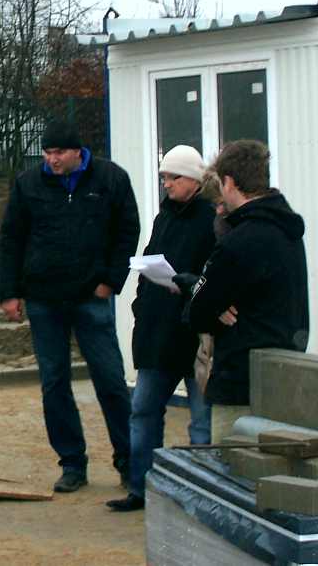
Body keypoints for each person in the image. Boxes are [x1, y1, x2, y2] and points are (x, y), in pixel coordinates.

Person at [0, 119, 140, 493]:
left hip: (92, 297)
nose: (52, 160)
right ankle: (72, 463)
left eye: (59, 152)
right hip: (44, 299)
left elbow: (127, 231)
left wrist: (111, 281)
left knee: (110, 379)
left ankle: (129, 460)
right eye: (47, 153)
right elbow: (11, 238)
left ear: (78, 151)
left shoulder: (110, 179)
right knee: (54, 382)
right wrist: (9, 292)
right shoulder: (28, 184)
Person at [106, 145, 216, 512]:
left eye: (173, 177)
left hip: (197, 334)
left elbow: (217, 274)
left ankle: (204, 497)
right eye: (164, 177)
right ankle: (141, 488)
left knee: (202, 421)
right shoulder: (164, 216)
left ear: (195, 180)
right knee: (143, 411)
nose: (166, 184)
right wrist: (142, 304)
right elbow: (149, 261)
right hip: (157, 331)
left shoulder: (213, 220)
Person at [184, 140, 309, 442]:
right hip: (285, 374)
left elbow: (197, 313)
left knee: (233, 465)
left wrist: (213, 305)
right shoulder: (288, 231)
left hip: (240, 381)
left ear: (228, 182)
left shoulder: (238, 241)